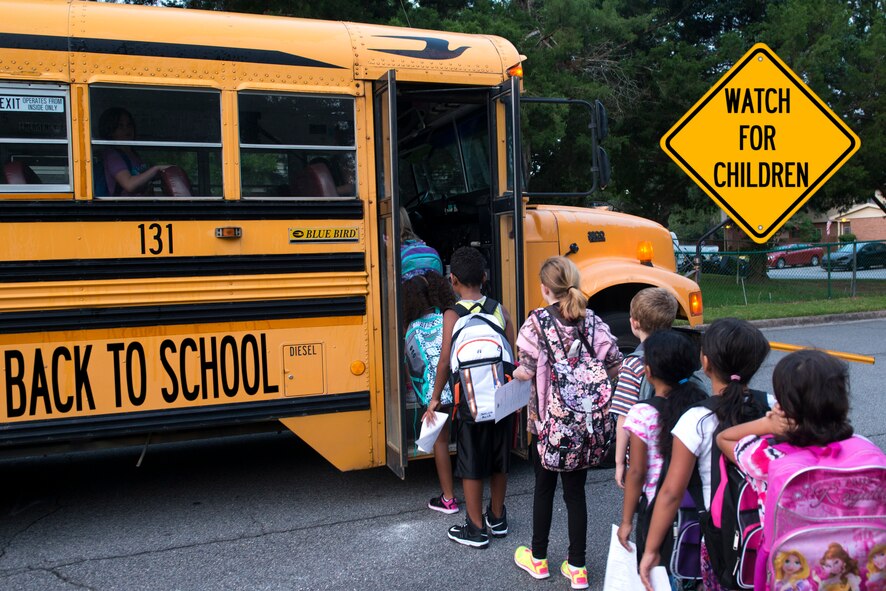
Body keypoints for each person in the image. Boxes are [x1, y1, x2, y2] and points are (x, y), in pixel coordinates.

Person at [512, 256, 622, 589]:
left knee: (543, 488)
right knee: (576, 494)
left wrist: (516, 373)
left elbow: (526, 370)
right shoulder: (593, 321)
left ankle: (539, 559)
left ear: (544, 288)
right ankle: (578, 568)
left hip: (550, 424)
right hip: (587, 424)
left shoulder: (537, 323)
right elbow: (615, 364)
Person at [638, 317, 770, 591]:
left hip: (720, 533)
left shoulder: (696, 419)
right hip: (769, 526)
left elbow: (671, 492)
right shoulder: (772, 406)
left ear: (705, 362)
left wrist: (651, 550)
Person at [424, 246, 514, 550]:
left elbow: (444, 360)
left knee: (471, 459)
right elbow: (511, 351)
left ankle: (475, 528)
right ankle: (497, 518)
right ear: (485, 278)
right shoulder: (500, 309)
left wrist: (435, 399)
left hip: (469, 399)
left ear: (453, 280)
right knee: (500, 457)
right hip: (502, 396)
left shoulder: (453, 314)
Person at [616, 330, 707, 563]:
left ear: (648, 371)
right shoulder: (701, 406)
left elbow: (637, 472)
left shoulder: (643, 413)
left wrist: (627, 521)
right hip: (698, 505)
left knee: (656, 573)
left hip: (658, 509)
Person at [399, 211, 457, 514]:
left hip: (435, 393)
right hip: (462, 389)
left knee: (440, 440)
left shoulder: (411, 331)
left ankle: (448, 497)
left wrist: (431, 399)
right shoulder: (450, 317)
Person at [610, 287, 680, 490]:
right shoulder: (679, 355)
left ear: (634, 323)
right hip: (677, 445)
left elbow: (624, 418)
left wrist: (619, 462)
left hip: (645, 454)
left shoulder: (632, 365)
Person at [97, 107, 169, 196]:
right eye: (120, 126)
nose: (127, 129)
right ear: (110, 131)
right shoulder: (113, 156)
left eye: (129, 125)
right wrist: (156, 169)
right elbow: (129, 185)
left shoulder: (133, 154)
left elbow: (141, 180)